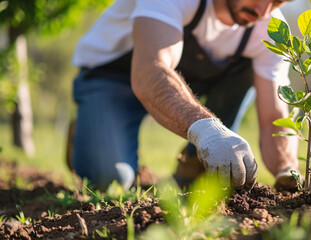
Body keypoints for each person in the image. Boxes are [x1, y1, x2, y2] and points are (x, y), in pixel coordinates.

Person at [69, 0, 299, 191]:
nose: (262, 11)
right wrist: (209, 132)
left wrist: (287, 171)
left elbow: (274, 117)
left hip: (189, 84)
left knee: (250, 68)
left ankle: (194, 165)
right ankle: (87, 129)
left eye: (277, 1)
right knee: (109, 180)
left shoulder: (272, 29)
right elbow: (151, 71)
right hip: (114, 78)